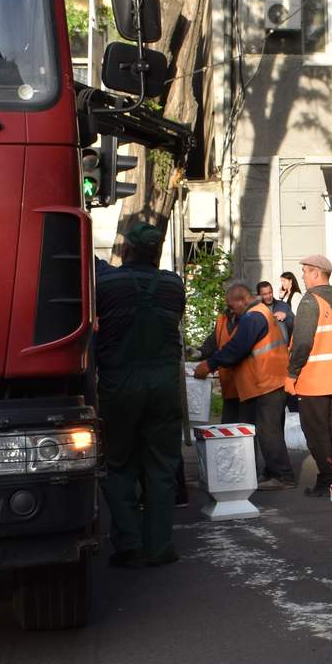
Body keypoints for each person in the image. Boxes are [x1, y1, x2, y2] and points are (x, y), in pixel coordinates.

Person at [93, 221, 187, 568]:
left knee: (119, 463)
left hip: (119, 384)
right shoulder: (173, 285)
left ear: (126, 250)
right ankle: (159, 546)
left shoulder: (107, 284)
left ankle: (129, 544)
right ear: (157, 252)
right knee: (161, 465)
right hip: (164, 385)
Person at [195, 282, 295, 490]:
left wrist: (209, 364)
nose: (231, 311)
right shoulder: (257, 313)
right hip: (267, 381)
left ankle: (283, 477)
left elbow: (236, 348)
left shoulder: (254, 316)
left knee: (269, 432)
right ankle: (271, 472)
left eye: (232, 306)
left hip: (267, 382)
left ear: (242, 300)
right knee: (266, 431)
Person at [287, 254, 332, 493]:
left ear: (316, 273)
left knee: (316, 430)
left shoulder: (311, 301)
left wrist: (291, 374)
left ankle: (328, 478)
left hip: (314, 379)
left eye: (305, 272)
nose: (303, 277)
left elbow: (302, 344)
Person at [274, 270, 305, 343]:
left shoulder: (296, 295)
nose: (282, 283)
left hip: (292, 329)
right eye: (281, 281)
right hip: (285, 328)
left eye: (284, 281)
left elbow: (295, 314)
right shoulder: (285, 295)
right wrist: (281, 298)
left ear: (290, 281)